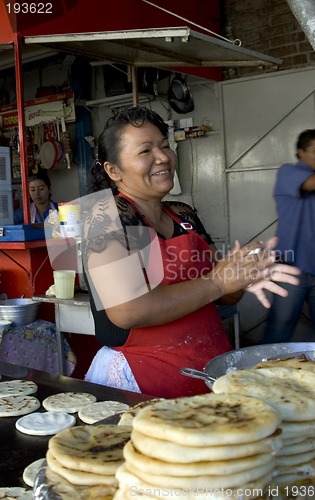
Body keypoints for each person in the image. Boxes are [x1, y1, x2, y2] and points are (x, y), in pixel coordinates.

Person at [82, 106, 300, 398]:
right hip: (142, 380)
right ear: (113, 170)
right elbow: (128, 309)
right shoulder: (103, 216)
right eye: (145, 151)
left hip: (206, 369)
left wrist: (240, 279)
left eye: (164, 146)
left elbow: (220, 293)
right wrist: (218, 282)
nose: (163, 157)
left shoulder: (182, 214)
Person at [263, 128, 315, 344]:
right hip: (290, 269)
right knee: (279, 331)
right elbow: (311, 184)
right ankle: (264, 375)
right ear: (301, 152)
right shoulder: (288, 173)